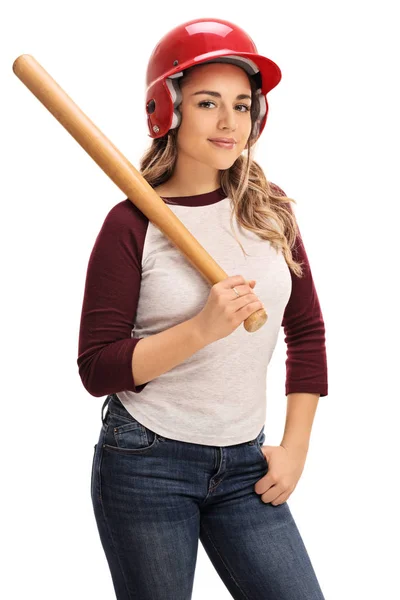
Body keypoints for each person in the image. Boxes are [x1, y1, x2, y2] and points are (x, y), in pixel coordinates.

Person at [77, 17, 328, 600]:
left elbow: (307, 332)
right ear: (168, 111)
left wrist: (294, 449)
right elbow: (98, 368)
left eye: (242, 106)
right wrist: (202, 329)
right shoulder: (130, 225)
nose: (228, 122)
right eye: (208, 102)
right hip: (146, 462)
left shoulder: (271, 214)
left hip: (246, 464)